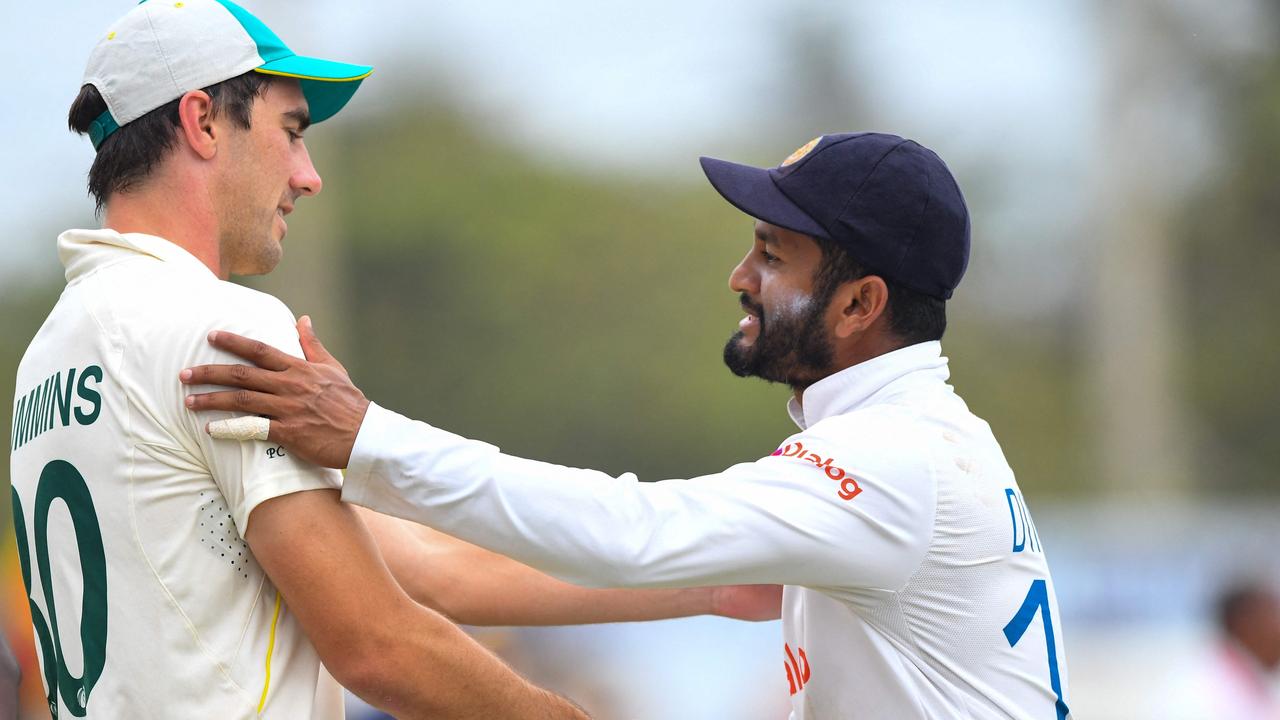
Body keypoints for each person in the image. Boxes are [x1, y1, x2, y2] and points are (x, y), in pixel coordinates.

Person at [9, 2, 777, 718]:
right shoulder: (219, 325)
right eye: (293, 129)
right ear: (203, 121)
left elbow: (419, 568)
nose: (308, 176)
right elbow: (377, 645)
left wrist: (707, 584)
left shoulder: (46, 356)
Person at [184, 132, 1073, 718]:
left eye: (772, 254)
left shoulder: (889, 458)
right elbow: (479, 576)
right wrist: (289, 495)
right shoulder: (909, 444)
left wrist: (367, 434)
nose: (738, 275)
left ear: (861, 302)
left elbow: (631, 535)